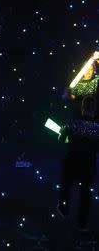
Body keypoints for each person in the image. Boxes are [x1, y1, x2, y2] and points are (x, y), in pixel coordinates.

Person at [57, 96, 98, 232]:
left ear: (82, 108)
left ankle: (63, 212)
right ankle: (82, 224)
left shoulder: (73, 124)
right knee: (85, 196)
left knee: (66, 189)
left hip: (71, 163)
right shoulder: (97, 128)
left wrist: (63, 133)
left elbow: (61, 140)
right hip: (88, 167)